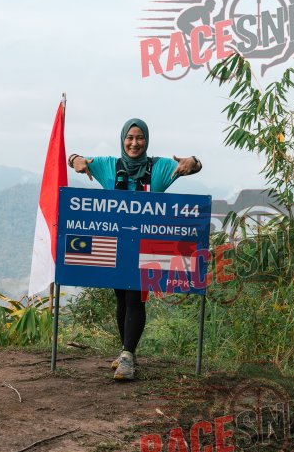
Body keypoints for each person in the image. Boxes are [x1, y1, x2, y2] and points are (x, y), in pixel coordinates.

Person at [68, 118, 202, 381]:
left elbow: (194, 166)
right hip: (117, 244)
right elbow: (75, 159)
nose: (134, 143)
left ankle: (128, 356)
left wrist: (193, 161)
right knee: (121, 297)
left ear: (146, 140)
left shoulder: (160, 167)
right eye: (129, 138)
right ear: (122, 139)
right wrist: (76, 160)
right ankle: (125, 351)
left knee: (135, 297)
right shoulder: (109, 166)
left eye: (140, 138)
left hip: (148, 246)